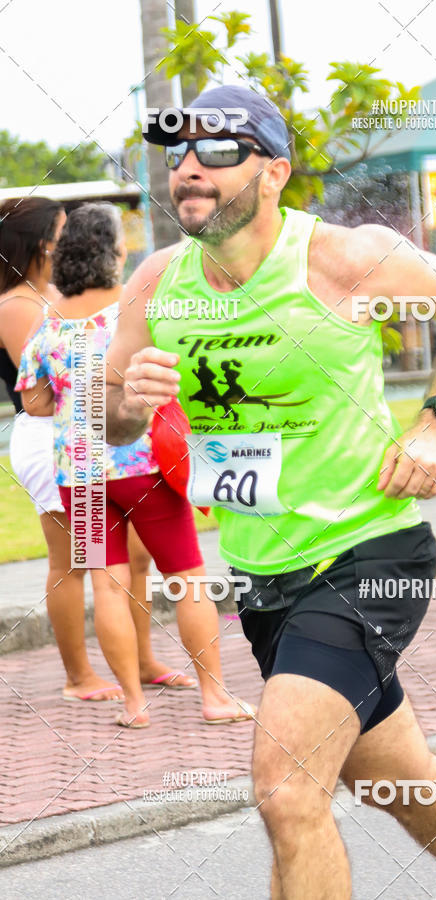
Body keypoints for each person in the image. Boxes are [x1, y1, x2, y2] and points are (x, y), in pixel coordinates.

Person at [103, 86, 436, 897]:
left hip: (366, 554)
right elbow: (112, 422)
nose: (189, 169)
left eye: (218, 151)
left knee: (287, 792)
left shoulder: (344, 259)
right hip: (262, 574)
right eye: (179, 153)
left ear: (274, 172)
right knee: (392, 773)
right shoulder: (158, 283)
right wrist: (126, 400)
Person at [17, 202, 254, 728]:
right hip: (145, 466)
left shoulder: (48, 324)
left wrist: (73, 396)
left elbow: (32, 403)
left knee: (107, 586)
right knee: (187, 579)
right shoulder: (138, 307)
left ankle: (133, 703)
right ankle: (214, 698)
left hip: (79, 474)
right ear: (114, 255)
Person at [0, 196, 124, 702]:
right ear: (35, 242)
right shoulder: (17, 305)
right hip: (49, 433)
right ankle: (78, 676)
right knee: (71, 559)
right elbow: (52, 377)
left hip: (85, 428)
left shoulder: (52, 293)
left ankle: (136, 660)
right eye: (58, 232)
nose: (65, 241)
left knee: (121, 556)